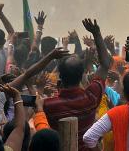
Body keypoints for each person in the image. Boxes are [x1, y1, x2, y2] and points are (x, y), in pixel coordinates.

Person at [32, 18, 111, 151]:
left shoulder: (48, 105)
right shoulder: (91, 96)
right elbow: (105, 64)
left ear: (60, 77)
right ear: (82, 76)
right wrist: (97, 34)